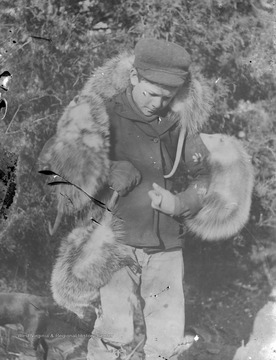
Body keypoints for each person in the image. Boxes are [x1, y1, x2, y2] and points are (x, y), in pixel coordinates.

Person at [86, 38, 211, 360]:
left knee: (167, 338)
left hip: (166, 246)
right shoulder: (102, 113)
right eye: (150, 93)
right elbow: (62, 163)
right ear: (133, 78)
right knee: (114, 330)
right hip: (116, 241)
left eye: (166, 97)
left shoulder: (181, 123)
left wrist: (179, 204)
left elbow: (205, 177)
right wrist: (107, 168)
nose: (157, 103)